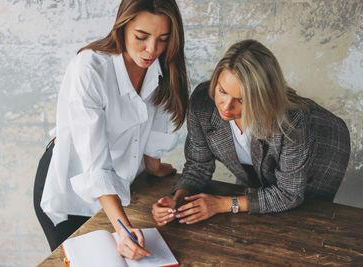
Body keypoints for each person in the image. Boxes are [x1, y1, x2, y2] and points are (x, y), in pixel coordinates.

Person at [33, 0, 188, 259]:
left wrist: (154, 168)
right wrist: (123, 227)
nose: (152, 49)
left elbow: (151, 128)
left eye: (163, 39)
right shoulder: (90, 68)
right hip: (73, 183)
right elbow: (95, 164)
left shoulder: (162, 66)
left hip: (122, 185)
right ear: (122, 27)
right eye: (142, 37)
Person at [152, 39, 350, 226]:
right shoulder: (202, 103)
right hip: (264, 160)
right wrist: (177, 200)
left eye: (241, 100)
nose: (226, 107)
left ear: (262, 98)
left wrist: (222, 204)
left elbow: (289, 194)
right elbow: (198, 166)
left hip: (325, 149)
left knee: (301, 218)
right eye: (222, 91)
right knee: (255, 198)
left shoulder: (293, 122)